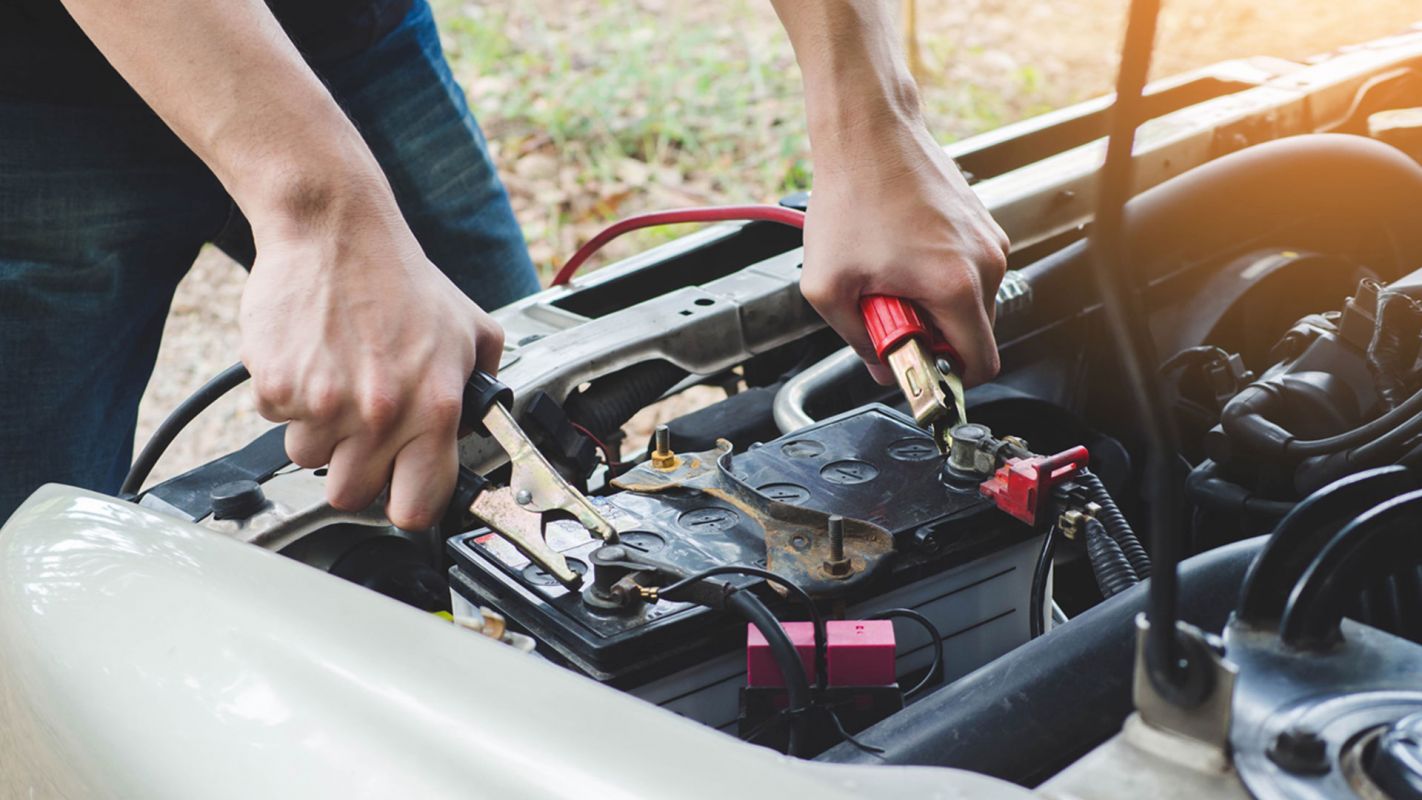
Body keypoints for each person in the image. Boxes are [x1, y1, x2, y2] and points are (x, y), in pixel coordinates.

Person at [0, 0, 1009, 527]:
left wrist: (875, 117)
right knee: (22, 558)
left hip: (354, 37)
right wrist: (320, 201)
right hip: (36, 99)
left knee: (515, 423)